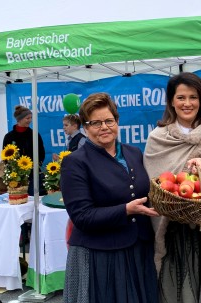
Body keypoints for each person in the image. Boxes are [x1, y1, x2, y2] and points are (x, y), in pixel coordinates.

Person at [144, 72, 201, 303]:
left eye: (193, 97)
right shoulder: (158, 138)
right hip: (176, 228)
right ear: (172, 102)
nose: (187, 103)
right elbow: (155, 186)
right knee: (179, 289)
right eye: (181, 97)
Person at [60, 92, 159, 303]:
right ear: (85, 128)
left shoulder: (134, 153)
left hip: (139, 249)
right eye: (95, 123)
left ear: (117, 122)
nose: (104, 127)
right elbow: (82, 216)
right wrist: (125, 210)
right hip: (101, 255)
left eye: (108, 121)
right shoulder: (75, 162)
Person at [2, 105, 46, 196]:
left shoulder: (34, 135)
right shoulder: (9, 137)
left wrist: (35, 166)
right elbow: (5, 156)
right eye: (27, 118)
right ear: (19, 119)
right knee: (18, 198)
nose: (30, 120)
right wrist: (13, 170)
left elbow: (41, 152)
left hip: (33, 175)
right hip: (16, 176)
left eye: (31, 118)